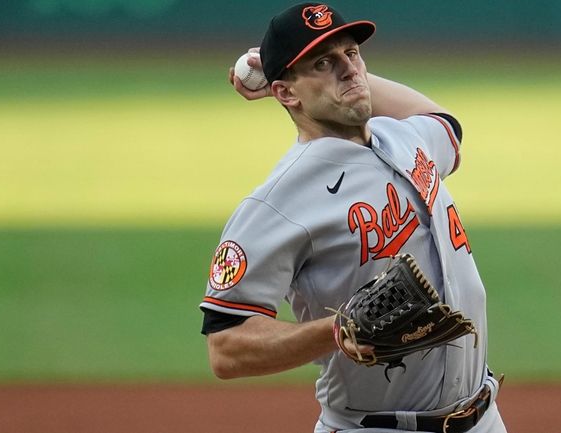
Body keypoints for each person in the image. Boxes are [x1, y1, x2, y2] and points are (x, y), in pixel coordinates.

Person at [200, 3, 507, 432]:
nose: (349, 70)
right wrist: (336, 331)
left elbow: (447, 124)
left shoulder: (404, 137)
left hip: (482, 418)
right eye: (323, 63)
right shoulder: (278, 202)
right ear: (287, 93)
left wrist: (317, 71)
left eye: (352, 54)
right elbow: (226, 348)